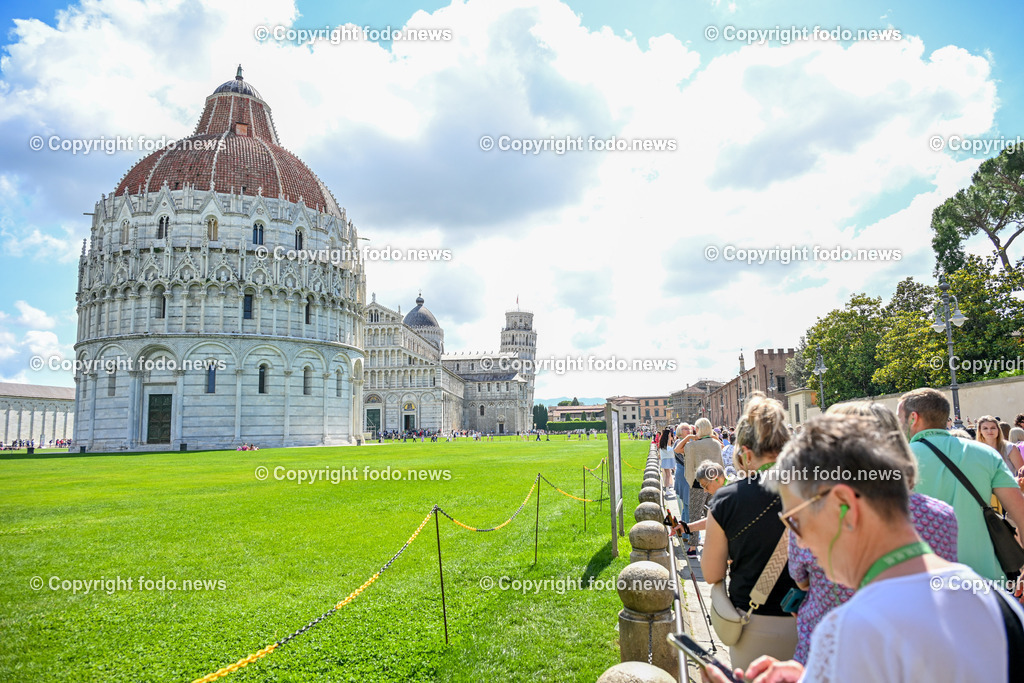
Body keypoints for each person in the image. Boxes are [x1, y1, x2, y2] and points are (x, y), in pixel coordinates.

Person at [704, 413, 1024, 683]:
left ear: (844, 504)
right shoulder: (1000, 603)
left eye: (797, 520)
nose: (797, 541)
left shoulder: (851, 629)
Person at [783, 401, 959, 664]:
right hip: (917, 656)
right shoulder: (942, 515)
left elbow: (800, 578)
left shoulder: (819, 516)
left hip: (828, 653)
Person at [702, 392, 798, 670]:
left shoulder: (727, 499)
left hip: (752, 619)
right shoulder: (816, 490)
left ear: (744, 451)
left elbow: (711, 573)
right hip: (812, 617)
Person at [898, 388, 1024, 581]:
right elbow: (1021, 515)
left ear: (913, 418)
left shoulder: (896, 460)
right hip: (987, 580)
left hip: (925, 582)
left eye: (899, 418)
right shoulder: (986, 454)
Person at [684, 418, 724, 555]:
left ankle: (693, 547)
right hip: (715, 482)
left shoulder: (692, 446)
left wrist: (690, 481)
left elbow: (688, 466)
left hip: (698, 483)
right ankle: (713, 543)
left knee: (695, 514)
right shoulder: (716, 444)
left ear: (698, 429)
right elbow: (720, 463)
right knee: (714, 513)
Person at [658, 427, 676, 497]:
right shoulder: (667, 440)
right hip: (669, 458)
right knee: (668, 475)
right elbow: (670, 449)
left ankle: (667, 488)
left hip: (665, 459)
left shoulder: (662, 441)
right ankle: (668, 490)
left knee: (667, 474)